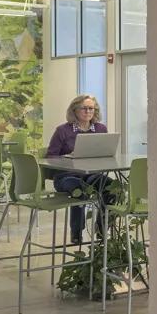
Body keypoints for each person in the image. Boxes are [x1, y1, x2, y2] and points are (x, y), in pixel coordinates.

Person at [45, 94, 116, 244]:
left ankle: (102, 228)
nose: (88, 111)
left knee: (113, 188)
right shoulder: (62, 131)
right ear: (75, 110)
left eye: (91, 108)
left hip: (91, 174)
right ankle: (76, 232)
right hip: (66, 176)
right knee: (80, 190)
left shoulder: (101, 129)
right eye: (84, 108)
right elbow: (50, 157)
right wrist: (68, 156)